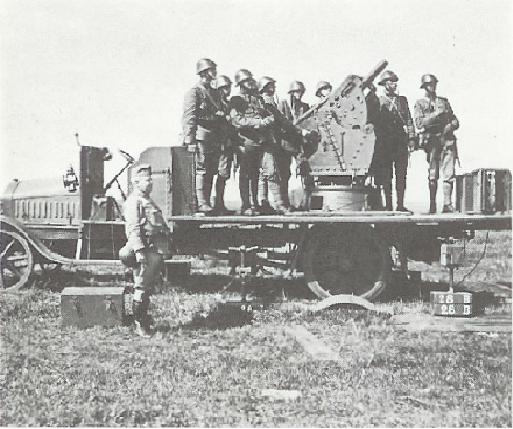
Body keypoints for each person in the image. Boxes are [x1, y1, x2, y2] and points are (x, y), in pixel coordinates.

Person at [122, 164, 169, 337]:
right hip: (145, 250)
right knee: (141, 286)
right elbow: (132, 229)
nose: (150, 183)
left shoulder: (147, 200)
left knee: (148, 286)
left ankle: (144, 318)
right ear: (136, 182)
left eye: (151, 179)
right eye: (147, 180)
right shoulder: (134, 202)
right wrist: (139, 252)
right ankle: (140, 324)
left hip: (154, 250)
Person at [228, 69, 275, 215]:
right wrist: (260, 123)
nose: (251, 83)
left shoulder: (257, 99)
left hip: (259, 142)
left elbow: (267, 114)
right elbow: (238, 121)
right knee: (246, 174)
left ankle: (255, 203)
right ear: (241, 83)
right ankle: (246, 205)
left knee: (255, 174)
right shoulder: (235, 100)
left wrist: (270, 119)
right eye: (247, 81)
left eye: (251, 80)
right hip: (245, 142)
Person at [182, 58, 223, 214]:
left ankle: (206, 202)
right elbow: (189, 117)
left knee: (211, 170)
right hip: (201, 137)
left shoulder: (214, 92)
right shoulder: (194, 92)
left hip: (213, 137)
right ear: (204, 72)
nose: (215, 72)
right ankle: (201, 202)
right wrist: (189, 140)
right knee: (201, 170)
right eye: (212, 69)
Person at [414, 74, 459, 213]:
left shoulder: (444, 102)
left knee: (449, 174)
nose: (433, 87)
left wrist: (450, 126)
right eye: (430, 84)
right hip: (432, 142)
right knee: (433, 175)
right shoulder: (420, 104)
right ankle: (432, 205)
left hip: (447, 141)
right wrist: (436, 115)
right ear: (424, 87)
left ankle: (447, 204)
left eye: (434, 84)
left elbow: (455, 121)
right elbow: (419, 123)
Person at [376, 70, 416, 212]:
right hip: (385, 143)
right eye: (390, 82)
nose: (393, 84)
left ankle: (400, 205)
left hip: (400, 142)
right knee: (386, 176)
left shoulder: (402, 101)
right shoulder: (379, 101)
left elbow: (409, 120)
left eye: (394, 82)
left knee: (401, 175)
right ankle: (388, 205)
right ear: (385, 84)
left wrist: (411, 139)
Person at [257, 76, 295, 214]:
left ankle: (274, 202)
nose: (272, 88)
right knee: (268, 173)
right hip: (263, 142)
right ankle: (272, 203)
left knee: (275, 173)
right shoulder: (258, 102)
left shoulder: (278, 101)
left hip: (277, 142)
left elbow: (286, 121)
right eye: (269, 85)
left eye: (272, 85)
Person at [280, 81, 310, 209]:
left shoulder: (305, 106)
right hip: (286, 143)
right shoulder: (284, 105)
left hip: (299, 144)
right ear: (291, 92)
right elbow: (281, 124)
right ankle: (284, 203)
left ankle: (305, 202)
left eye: (301, 92)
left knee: (305, 171)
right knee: (284, 174)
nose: (299, 94)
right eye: (297, 92)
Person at [212, 75, 237, 214]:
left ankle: (219, 204)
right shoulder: (215, 104)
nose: (228, 90)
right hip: (217, 144)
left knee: (224, 175)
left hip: (226, 144)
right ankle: (217, 205)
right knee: (217, 174)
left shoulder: (227, 104)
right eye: (226, 87)